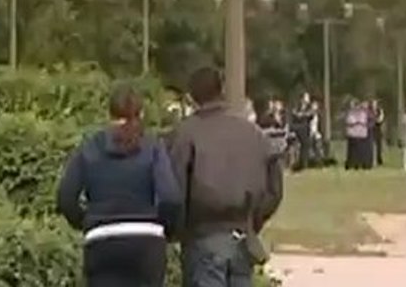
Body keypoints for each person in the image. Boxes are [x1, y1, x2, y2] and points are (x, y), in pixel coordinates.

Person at [56, 84, 182, 287]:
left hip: (102, 242)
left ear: (109, 113)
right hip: (146, 242)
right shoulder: (153, 147)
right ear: (141, 113)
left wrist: (87, 222)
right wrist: (165, 227)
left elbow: (65, 197)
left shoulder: (90, 147)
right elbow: (171, 197)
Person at [169, 66, 284, 287]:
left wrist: (178, 230)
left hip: (203, 234)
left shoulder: (186, 133)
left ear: (192, 97)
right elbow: (275, 187)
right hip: (243, 233)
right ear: (221, 90)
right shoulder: (253, 133)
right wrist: (254, 220)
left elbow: (175, 189)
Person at [290, 93, 316, 171]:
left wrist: (301, 115)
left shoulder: (310, 107)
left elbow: (310, 114)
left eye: (308, 98)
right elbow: (294, 113)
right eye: (306, 98)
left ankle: (304, 164)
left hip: (305, 129)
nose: (307, 100)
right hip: (297, 129)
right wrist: (301, 115)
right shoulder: (297, 106)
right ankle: (296, 163)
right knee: (296, 146)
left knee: (305, 146)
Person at [344, 99, 372, 170]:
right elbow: (350, 121)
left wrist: (361, 123)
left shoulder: (363, 113)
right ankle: (352, 164)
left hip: (361, 134)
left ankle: (361, 163)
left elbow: (365, 121)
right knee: (353, 151)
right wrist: (356, 123)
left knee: (361, 150)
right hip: (353, 134)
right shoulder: (351, 113)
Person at [370, 99, 386, 167]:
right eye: (373, 103)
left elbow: (380, 120)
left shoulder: (379, 111)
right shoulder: (369, 111)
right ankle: (371, 159)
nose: (374, 105)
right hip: (371, 129)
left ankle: (378, 160)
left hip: (377, 129)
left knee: (378, 146)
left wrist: (375, 119)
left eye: (375, 103)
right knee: (371, 145)